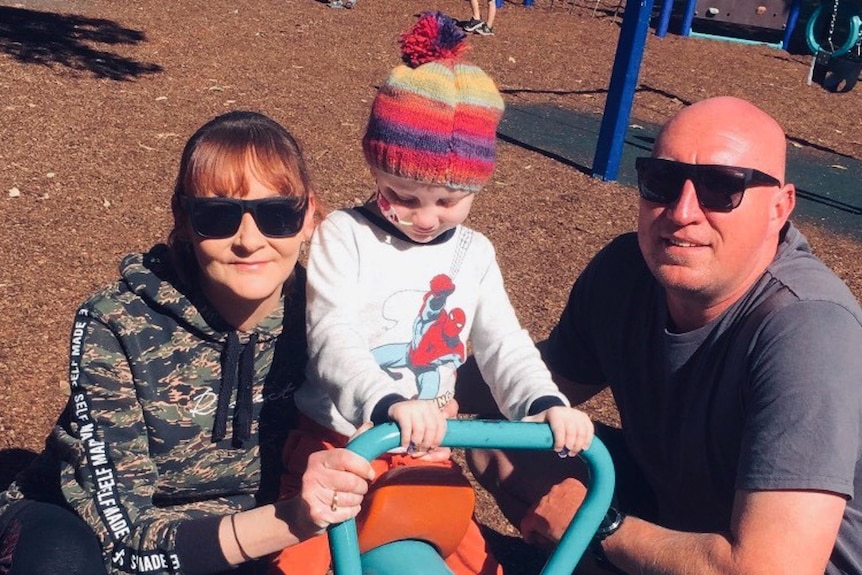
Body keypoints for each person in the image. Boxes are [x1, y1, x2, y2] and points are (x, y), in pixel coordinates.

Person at [463, 96, 862, 574]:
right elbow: (524, 381)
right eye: (662, 181)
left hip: (783, 562)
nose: (682, 211)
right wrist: (383, 386)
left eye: (721, 187)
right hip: (681, 517)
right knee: (504, 442)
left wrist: (596, 523)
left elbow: (772, 569)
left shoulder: (806, 328)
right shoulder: (626, 273)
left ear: (780, 207)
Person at [271, 11, 594, 575]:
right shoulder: (345, 235)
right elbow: (332, 335)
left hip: (428, 454)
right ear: (376, 167)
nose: (425, 217)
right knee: (299, 563)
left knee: (474, 561)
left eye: (448, 201)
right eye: (403, 195)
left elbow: (504, 344)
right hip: (341, 446)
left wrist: (543, 405)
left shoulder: (474, 253)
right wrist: (385, 404)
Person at [0, 110, 376, 575]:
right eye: (217, 216)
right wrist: (295, 518)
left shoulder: (334, 321)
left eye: (277, 214)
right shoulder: (116, 322)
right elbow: (122, 538)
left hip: (254, 529)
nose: (249, 240)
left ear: (308, 217)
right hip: (87, 526)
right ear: (183, 218)